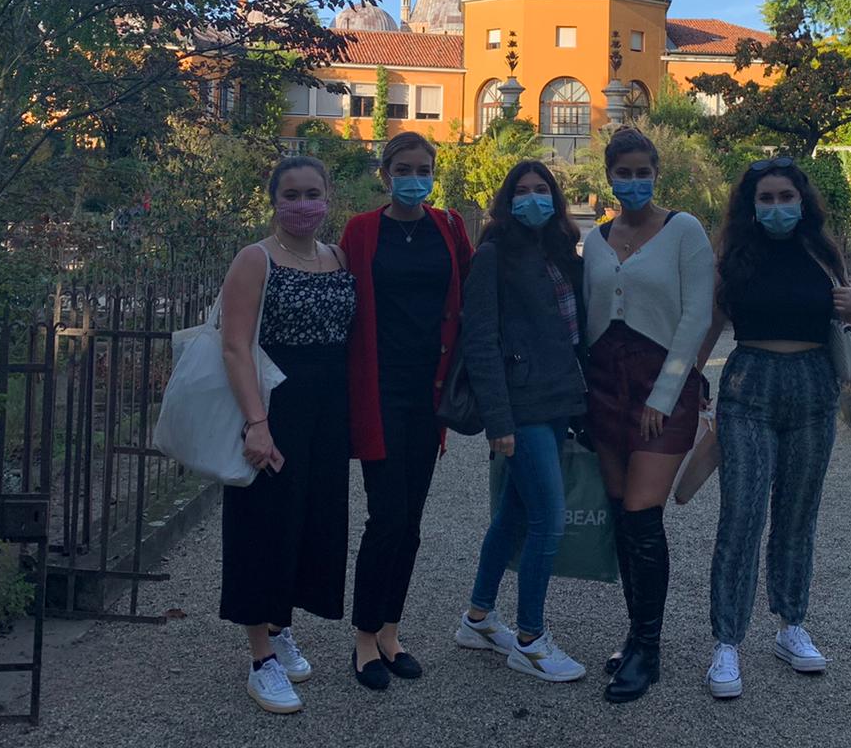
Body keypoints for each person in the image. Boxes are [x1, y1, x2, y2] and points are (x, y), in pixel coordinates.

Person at [702, 158, 851, 700]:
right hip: (749, 385)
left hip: (812, 387)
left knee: (799, 513)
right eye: (766, 199)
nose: (777, 208)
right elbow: (710, 322)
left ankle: (790, 623)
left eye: (785, 197)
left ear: (802, 202)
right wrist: (688, 383)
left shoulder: (821, 253)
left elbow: (843, 314)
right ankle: (727, 640)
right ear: (750, 206)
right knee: (742, 514)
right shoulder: (734, 257)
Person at [580, 126, 715, 703]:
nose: (632, 182)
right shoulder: (599, 236)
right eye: (622, 173)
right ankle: (636, 639)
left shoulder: (683, 229)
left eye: (642, 172)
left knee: (642, 516)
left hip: (662, 385)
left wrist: (665, 395)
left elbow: (697, 314)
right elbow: (587, 314)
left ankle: (649, 650)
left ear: (656, 173)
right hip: (605, 382)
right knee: (620, 515)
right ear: (607, 176)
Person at [219, 156, 356, 715]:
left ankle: (281, 629)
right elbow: (234, 345)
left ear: (329, 197)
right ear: (273, 200)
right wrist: (256, 422)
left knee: (310, 526)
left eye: (313, 194)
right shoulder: (255, 259)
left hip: (326, 414)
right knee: (263, 527)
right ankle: (260, 661)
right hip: (275, 408)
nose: (303, 206)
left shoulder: (336, 256)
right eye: (292, 195)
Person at [339, 132, 474, 691]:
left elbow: (473, 290)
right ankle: (364, 636)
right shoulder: (362, 230)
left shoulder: (449, 227)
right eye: (404, 167)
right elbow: (342, 300)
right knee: (386, 517)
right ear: (385, 173)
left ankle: (392, 630)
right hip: (378, 389)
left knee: (412, 521)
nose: (415, 176)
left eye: (424, 167)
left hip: (429, 393)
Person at [455, 161, 589, 682]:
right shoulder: (493, 256)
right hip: (523, 406)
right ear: (507, 201)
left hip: (558, 402)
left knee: (513, 515)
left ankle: (479, 617)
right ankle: (530, 640)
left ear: (555, 199)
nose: (533, 199)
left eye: (543, 190)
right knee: (547, 521)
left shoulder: (558, 253)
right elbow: (481, 340)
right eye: (523, 191)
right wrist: (498, 421)